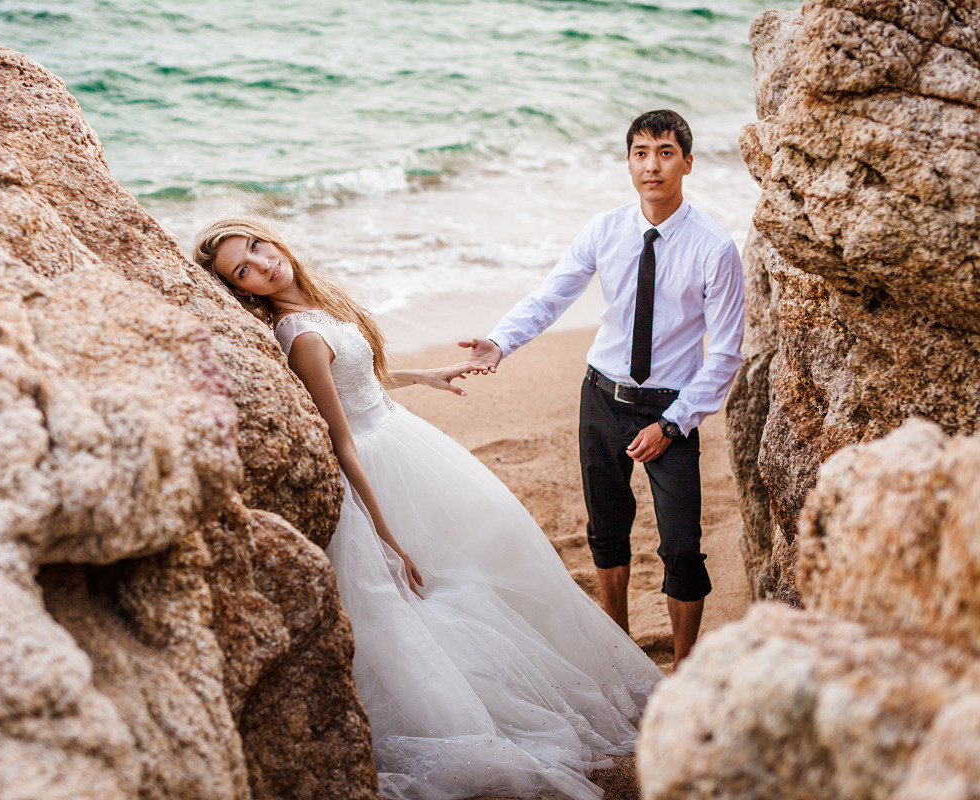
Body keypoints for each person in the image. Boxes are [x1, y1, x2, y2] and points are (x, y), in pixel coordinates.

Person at [193, 217, 664, 800]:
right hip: (375, 467)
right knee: (438, 596)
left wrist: (425, 376)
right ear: (243, 290)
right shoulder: (300, 335)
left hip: (402, 439)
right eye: (244, 269)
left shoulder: (319, 304)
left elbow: (360, 378)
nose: (262, 263)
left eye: (257, 246)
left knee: (489, 553)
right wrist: (386, 538)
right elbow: (342, 441)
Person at [461, 109, 745, 666]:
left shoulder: (715, 248)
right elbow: (550, 297)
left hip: (672, 409)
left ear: (687, 162)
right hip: (602, 398)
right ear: (629, 163)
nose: (652, 165)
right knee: (606, 531)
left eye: (665, 152)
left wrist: (671, 426)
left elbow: (727, 354)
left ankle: (685, 669)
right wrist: (500, 342)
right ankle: (621, 652)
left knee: (683, 547)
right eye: (640, 153)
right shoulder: (605, 230)